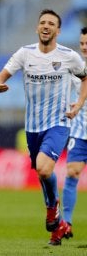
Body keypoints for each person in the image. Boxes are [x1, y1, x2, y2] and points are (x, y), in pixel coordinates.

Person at [0, 9, 87, 246]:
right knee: (43, 175)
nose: (46, 26)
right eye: (42, 22)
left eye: (51, 23)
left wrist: (78, 104)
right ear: (37, 28)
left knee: (44, 169)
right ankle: (57, 222)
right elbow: (1, 76)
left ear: (58, 30)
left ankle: (53, 210)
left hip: (59, 122)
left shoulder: (69, 56)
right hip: (33, 126)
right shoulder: (25, 54)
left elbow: (85, 78)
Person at [61, 26, 87, 240]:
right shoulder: (76, 67)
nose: (85, 47)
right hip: (80, 129)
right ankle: (66, 223)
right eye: (82, 44)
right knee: (71, 172)